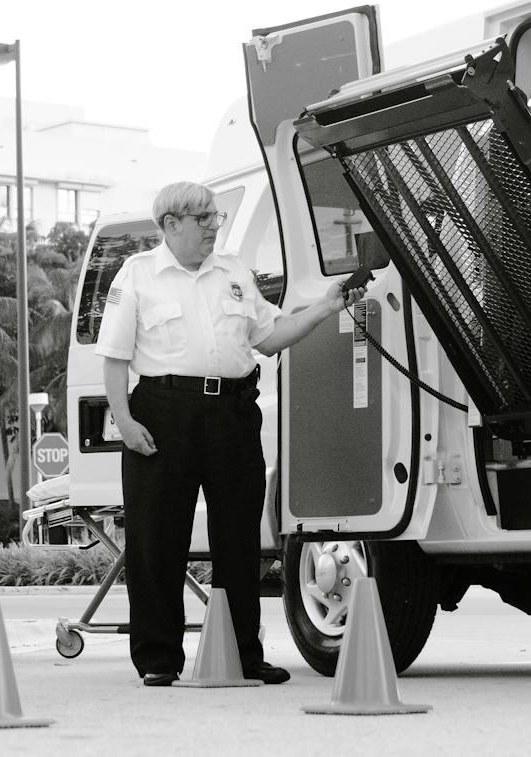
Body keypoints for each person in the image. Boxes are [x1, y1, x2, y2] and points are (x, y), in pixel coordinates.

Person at [96, 180, 366, 687]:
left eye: (214, 218)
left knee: (239, 538)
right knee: (158, 540)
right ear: (170, 224)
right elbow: (113, 356)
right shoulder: (138, 275)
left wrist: (326, 309)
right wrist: (125, 423)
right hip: (162, 412)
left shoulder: (233, 272)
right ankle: (158, 658)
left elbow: (270, 337)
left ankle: (244, 654)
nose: (212, 228)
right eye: (202, 219)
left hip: (232, 412)